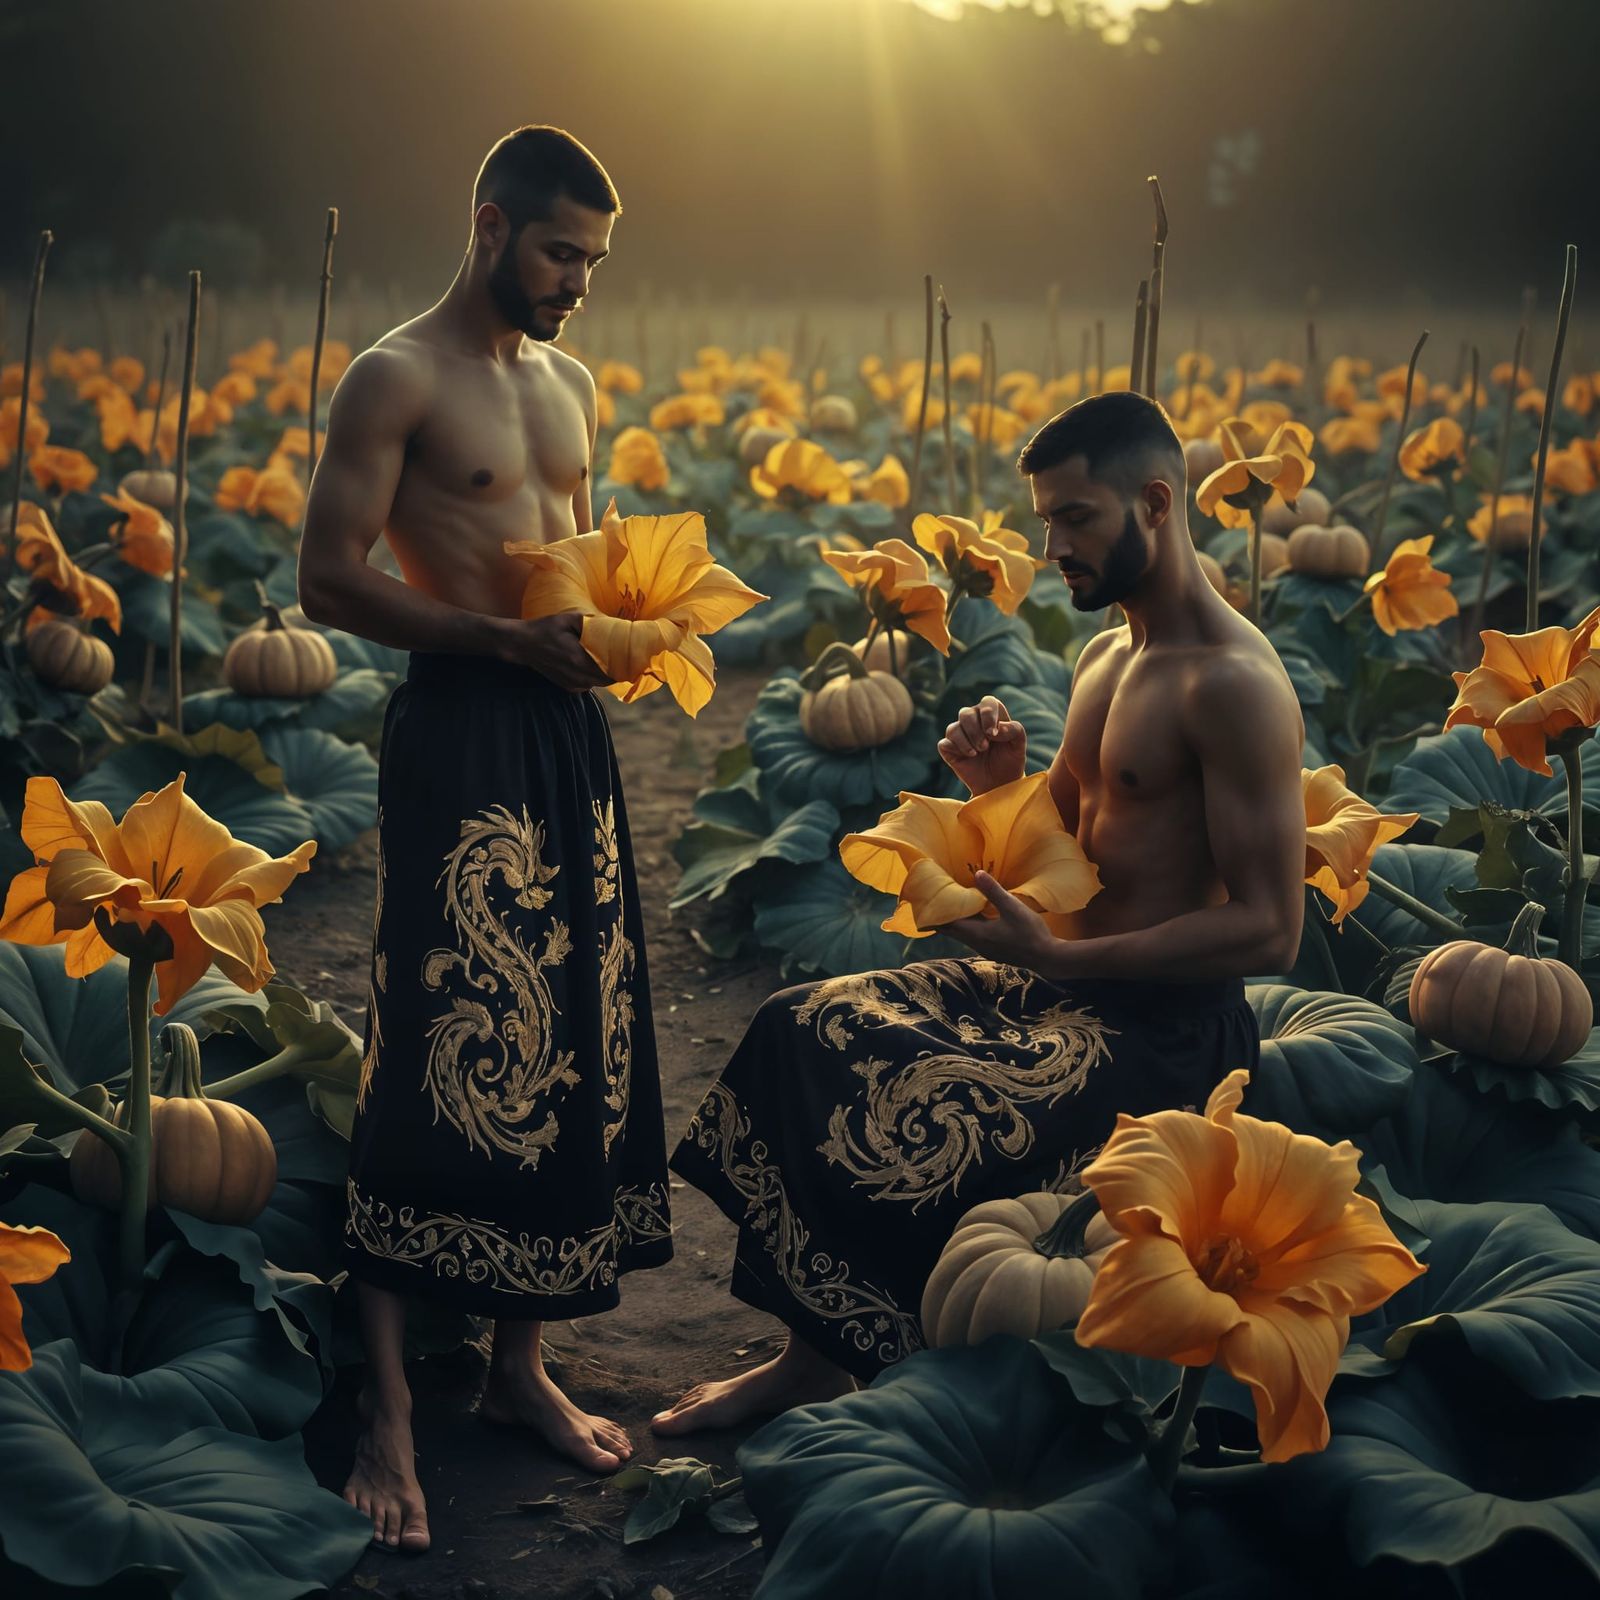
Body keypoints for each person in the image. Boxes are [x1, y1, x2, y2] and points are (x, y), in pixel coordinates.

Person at [654, 390, 1306, 1433]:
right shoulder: (1104, 655)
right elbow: (1071, 834)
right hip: (1058, 984)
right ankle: (810, 1358)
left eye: (1077, 518)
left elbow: (1273, 928)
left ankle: (912, 1373)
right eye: (1045, 519)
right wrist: (994, 786)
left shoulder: (1232, 684)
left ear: (1156, 501)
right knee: (799, 1025)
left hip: (1170, 1039)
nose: (1051, 546)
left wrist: (1063, 956)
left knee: (912, 1092)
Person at [297, 125, 673, 1555]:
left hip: (563, 733)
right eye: (561, 251)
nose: (579, 280)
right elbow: (326, 576)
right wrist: (496, 643)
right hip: (455, 719)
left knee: (573, 1021)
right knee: (434, 1031)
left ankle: (517, 1366)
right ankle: (390, 1402)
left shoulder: (572, 380)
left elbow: (575, 552)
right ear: (490, 222)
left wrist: (630, 631)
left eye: (595, 257)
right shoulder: (392, 375)